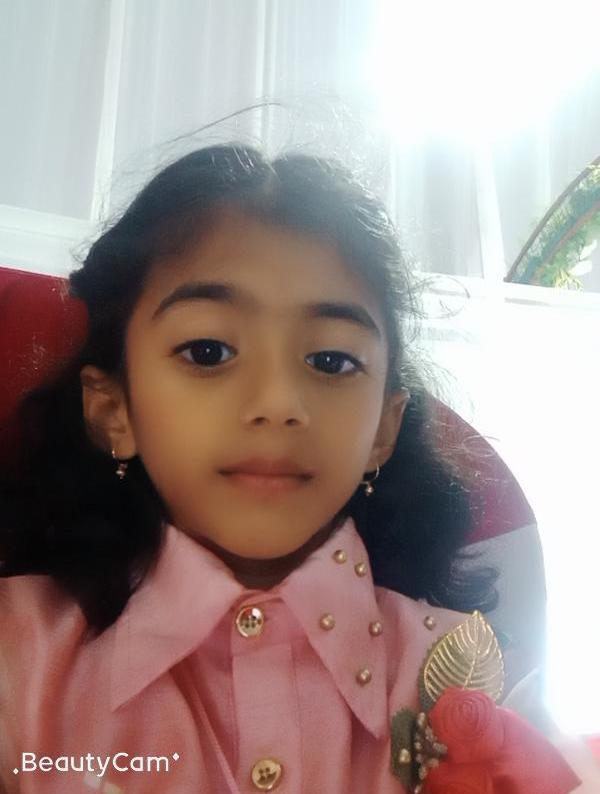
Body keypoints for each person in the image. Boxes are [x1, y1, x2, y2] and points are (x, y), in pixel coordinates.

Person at [0, 144, 587, 792]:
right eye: (208, 351)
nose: (279, 403)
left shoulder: (472, 681)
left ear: (383, 429)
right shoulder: (17, 659)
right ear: (114, 411)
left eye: (331, 361)